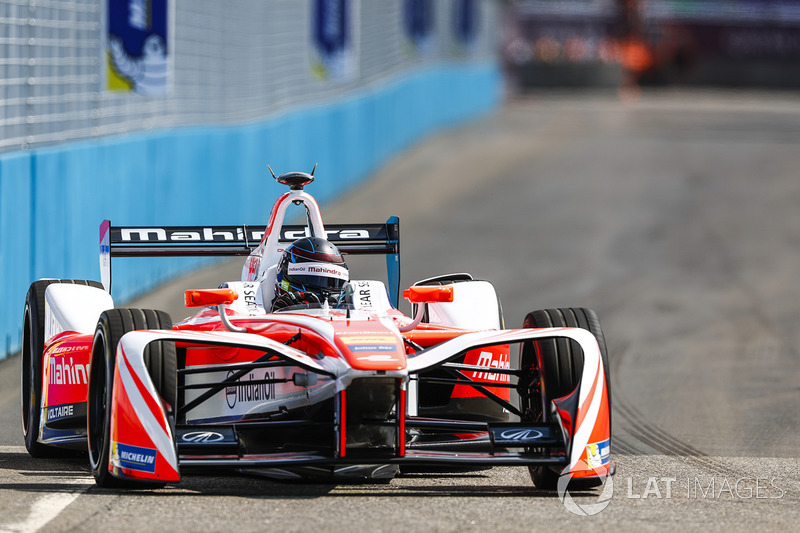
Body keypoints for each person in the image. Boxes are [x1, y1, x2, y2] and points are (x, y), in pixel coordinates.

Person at [271, 236, 350, 311]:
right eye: (313, 280)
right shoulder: (260, 312)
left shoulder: (355, 305)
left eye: (332, 283)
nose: (324, 296)